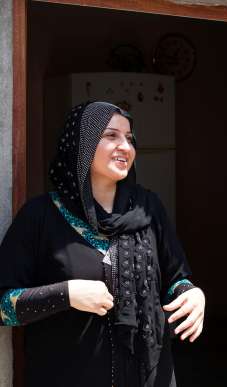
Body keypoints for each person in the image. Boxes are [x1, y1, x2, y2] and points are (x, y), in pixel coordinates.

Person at [0, 102, 205, 387]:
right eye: (111, 136)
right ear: (82, 144)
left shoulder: (147, 209)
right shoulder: (40, 216)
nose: (126, 146)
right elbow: (3, 306)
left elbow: (175, 279)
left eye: (130, 138)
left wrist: (192, 294)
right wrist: (67, 294)